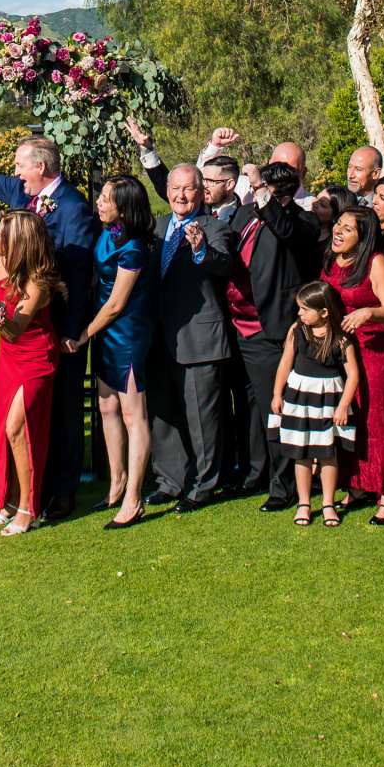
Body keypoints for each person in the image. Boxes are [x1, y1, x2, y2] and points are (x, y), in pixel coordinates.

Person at [0, 100, 97, 518]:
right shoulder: (21, 193)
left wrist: (73, 330)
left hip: (57, 326)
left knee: (63, 411)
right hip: (22, 328)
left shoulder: (75, 208)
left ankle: (61, 492)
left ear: (42, 167)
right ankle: (29, 491)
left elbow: (79, 278)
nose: (14, 173)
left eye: (20, 166)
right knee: (26, 415)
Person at [149, 162, 240, 511]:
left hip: (199, 340)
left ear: (201, 192)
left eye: (188, 189)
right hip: (159, 338)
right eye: (175, 188)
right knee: (164, 415)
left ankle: (205, 484)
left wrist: (201, 250)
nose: (181, 195)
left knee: (203, 419)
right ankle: (170, 480)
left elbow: (224, 264)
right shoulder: (157, 228)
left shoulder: (214, 227)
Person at [73, 174, 157, 528]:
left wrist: (81, 336)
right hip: (105, 334)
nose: (100, 204)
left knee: (132, 414)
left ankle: (134, 498)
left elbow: (116, 304)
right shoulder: (107, 235)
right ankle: (116, 483)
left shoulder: (135, 247)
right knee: (106, 406)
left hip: (126, 334)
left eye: (106, 199)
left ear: (124, 207)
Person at [228, 163, 314, 512]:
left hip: (272, 326)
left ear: (284, 192)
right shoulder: (245, 214)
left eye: (265, 189)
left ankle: (283, 487)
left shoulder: (301, 221)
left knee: (275, 407)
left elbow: (284, 232)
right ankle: (256, 472)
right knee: (253, 408)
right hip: (238, 323)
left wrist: (266, 199)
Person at [321, 203, 384, 522]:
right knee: (349, 417)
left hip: (375, 349)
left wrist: (368, 312)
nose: (338, 232)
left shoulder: (376, 262)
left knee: (377, 419)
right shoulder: (332, 259)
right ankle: (357, 484)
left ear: (363, 235)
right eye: (338, 225)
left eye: (347, 228)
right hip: (343, 350)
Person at [0, 210, 65, 535]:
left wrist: (0, 321)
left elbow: (16, 330)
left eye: (1, 233)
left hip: (35, 356)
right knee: (3, 428)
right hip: (8, 356)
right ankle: (11, 500)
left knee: (20, 428)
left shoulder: (38, 281)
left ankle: (29, 508)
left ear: (20, 240)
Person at [270, 282, 360, 526]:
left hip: (328, 399)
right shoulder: (296, 331)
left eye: (304, 309)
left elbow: (353, 374)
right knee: (302, 453)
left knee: (328, 453)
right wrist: (277, 394)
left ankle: (328, 503)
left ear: (324, 312)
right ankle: (304, 503)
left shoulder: (340, 339)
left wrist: (343, 406)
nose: (299, 313)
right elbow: (285, 364)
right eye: (299, 308)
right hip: (300, 398)